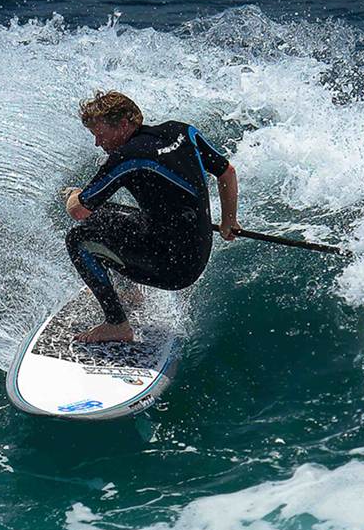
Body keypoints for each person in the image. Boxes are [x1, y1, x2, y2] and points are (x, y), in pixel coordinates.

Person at [62, 91, 240, 343]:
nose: (97, 143)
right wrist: (229, 220)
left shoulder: (127, 158)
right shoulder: (181, 131)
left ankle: (117, 325)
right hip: (196, 248)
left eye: (100, 134)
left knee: (78, 240)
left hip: (174, 268)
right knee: (104, 214)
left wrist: (73, 194)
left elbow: (78, 211)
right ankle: (130, 294)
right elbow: (227, 172)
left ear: (123, 124)